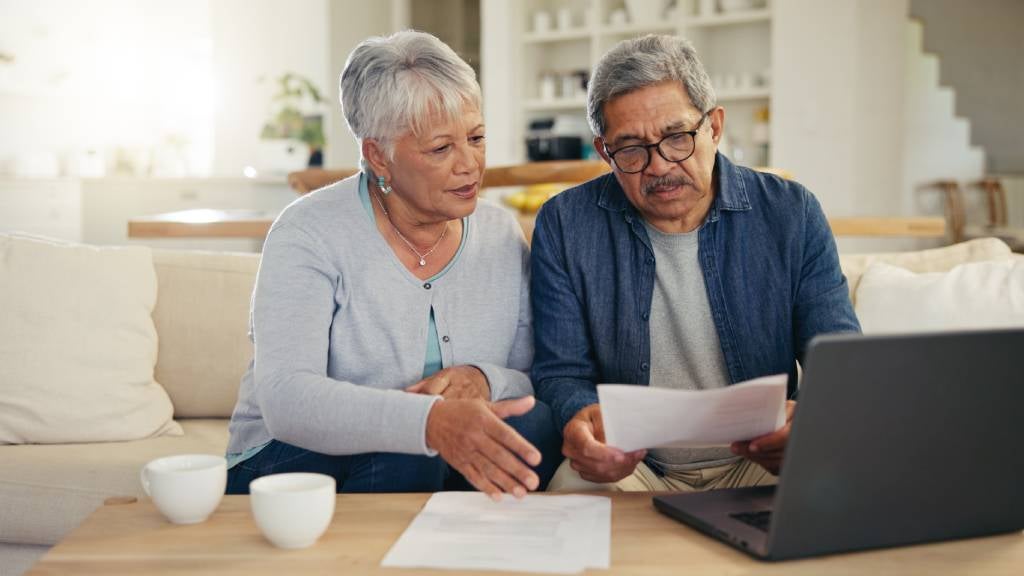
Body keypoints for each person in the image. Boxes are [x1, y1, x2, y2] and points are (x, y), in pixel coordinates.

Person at [225, 30, 560, 499]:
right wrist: (427, 422)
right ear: (378, 155)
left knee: (533, 419)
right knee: (408, 446)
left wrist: (484, 379)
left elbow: (532, 372)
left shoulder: (501, 234)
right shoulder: (307, 232)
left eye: (477, 138)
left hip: (428, 460)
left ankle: (464, 545)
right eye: (441, 148)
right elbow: (286, 399)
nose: (470, 164)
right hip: (289, 457)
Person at [531, 35, 861, 492]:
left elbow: (839, 361)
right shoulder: (565, 224)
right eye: (630, 150)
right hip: (636, 467)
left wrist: (808, 424)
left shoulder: (790, 212)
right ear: (604, 152)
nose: (660, 166)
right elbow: (561, 371)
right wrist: (580, 420)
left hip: (764, 458)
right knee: (570, 493)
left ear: (715, 127)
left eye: (676, 138)